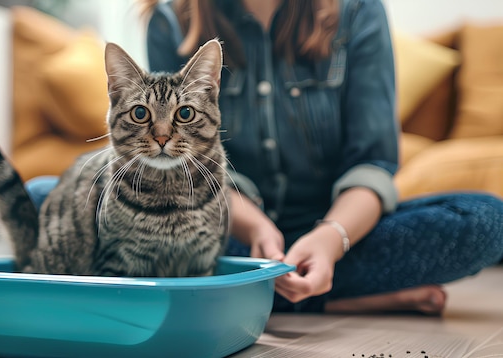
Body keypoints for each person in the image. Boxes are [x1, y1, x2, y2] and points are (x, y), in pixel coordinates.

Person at [138, 0, 503, 314]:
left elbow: (373, 164)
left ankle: (269, 296)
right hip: (232, 228)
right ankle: (344, 300)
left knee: (487, 220)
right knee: (140, 236)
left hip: (343, 229)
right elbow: (187, 169)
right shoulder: (171, 21)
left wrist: (332, 238)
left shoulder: (359, 11)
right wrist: (256, 228)